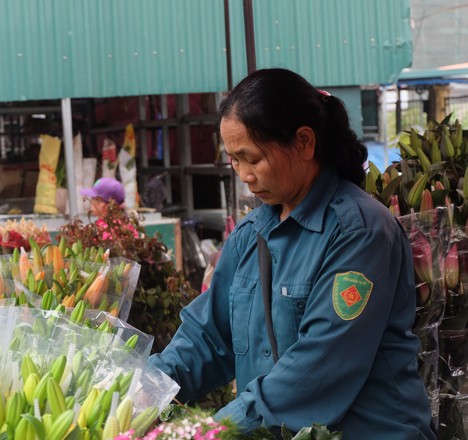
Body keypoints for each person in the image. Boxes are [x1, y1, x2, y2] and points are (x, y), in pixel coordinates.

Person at [149, 68, 435, 439]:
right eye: (234, 160)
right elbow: (206, 338)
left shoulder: (360, 231)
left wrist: (208, 431)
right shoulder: (251, 235)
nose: (244, 176)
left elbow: (317, 368)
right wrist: (140, 391)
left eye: (252, 158)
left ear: (303, 142)